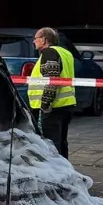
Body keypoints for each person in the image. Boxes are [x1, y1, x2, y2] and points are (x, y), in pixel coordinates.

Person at [28, 27, 76, 158]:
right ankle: (65, 170)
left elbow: (52, 80)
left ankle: (56, 173)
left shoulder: (49, 53)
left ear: (44, 40)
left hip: (53, 107)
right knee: (61, 142)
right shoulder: (65, 53)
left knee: (51, 144)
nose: (34, 42)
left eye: (36, 39)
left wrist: (45, 104)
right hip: (66, 104)